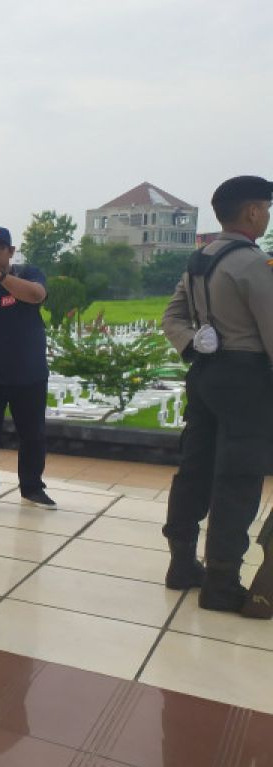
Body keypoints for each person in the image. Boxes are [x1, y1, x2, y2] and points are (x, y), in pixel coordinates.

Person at [160, 175, 273, 614]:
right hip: (246, 379)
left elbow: (173, 315)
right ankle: (222, 582)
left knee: (196, 467)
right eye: (265, 208)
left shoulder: (199, 259)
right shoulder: (252, 263)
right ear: (251, 212)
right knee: (238, 477)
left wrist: (192, 341)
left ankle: (182, 564)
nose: (265, 216)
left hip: (206, 374)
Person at [0, 226, 56, 513]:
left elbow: (37, 295)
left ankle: (32, 488)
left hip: (28, 372)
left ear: (11, 251)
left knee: (32, 434)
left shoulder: (28, 273)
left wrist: (1, 278)